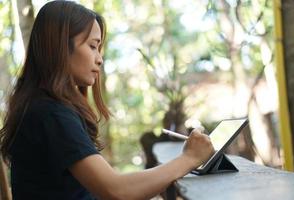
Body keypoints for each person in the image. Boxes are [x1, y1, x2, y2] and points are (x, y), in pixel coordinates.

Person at [0, 1, 214, 199]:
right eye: (93, 46)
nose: (100, 59)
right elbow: (116, 191)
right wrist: (189, 159)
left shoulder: (41, 106)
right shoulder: (49, 113)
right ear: (61, 47)